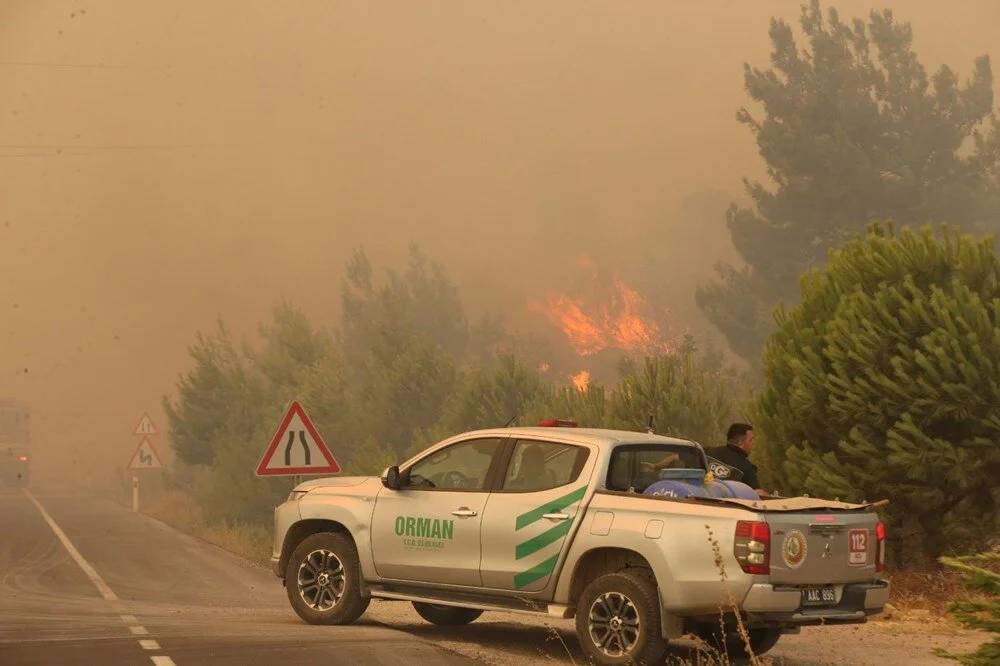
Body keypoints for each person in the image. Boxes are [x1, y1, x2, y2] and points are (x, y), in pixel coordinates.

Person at [705, 423, 767, 497]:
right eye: (751, 440)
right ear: (740, 442)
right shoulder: (746, 467)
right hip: (728, 506)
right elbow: (758, 494)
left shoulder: (706, 452)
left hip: (700, 501)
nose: (753, 444)